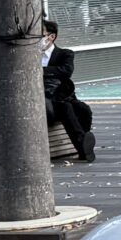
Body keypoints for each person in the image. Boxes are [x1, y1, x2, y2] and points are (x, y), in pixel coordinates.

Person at [40, 19, 96, 162]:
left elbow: (66, 71)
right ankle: (83, 147)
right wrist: (52, 72)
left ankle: (84, 145)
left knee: (83, 109)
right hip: (44, 101)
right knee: (66, 108)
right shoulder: (28, 57)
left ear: (51, 37)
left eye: (40, 35)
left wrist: (40, 71)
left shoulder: (65, 54)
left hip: (62, 96)